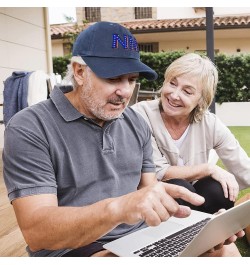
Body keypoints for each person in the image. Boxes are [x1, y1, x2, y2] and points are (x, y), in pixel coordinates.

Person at [3, 22, 243, 257]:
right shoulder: (30, 127)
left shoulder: (135, 122)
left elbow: (150, 191)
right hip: (78, 247)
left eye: (131, 79)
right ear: (79, 72)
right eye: (114, 78)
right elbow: (38, 233)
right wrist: (119, 208)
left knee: (226, 250)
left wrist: (197, 231)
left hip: (141, 237)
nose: (125, 92)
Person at [132, 53, 250, 214]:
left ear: (201, 100)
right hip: (151, 197)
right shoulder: (141, 114)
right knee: (178, 186)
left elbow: (244, 168)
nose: (174, 95)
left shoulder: (210, 123)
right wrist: (209, 168)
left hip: (195, 196)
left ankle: (209, 228)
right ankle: (194, 232)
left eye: (187, 92)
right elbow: (157, 172)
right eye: (172, 84)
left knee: (219, 189)